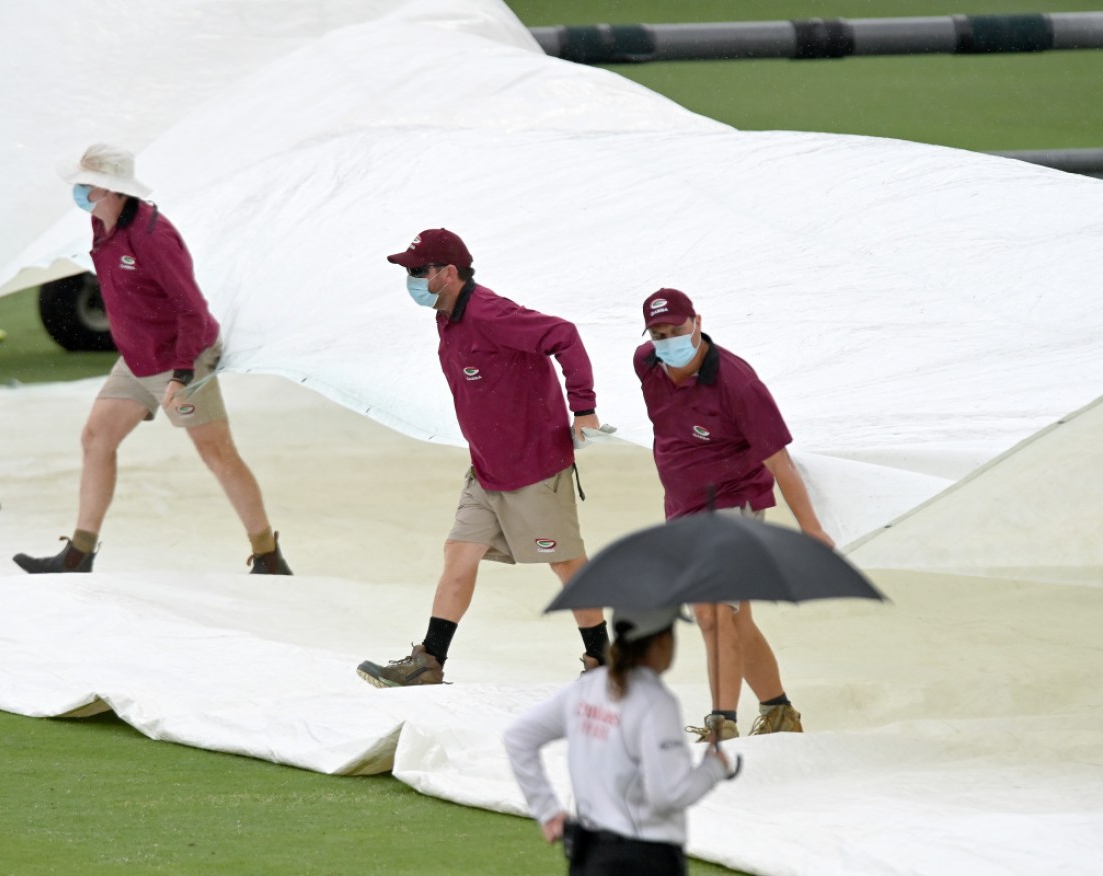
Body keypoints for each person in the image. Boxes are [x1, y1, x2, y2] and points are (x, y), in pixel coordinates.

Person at [13, 143, 290, 575]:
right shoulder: (100, 223)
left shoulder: (152, 237)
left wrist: (182, 375)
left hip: (183, 356)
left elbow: (192, 311)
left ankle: (268, 556)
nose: (81, 192)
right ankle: (79, 554)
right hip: (138, 358)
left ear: (113, 189)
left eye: (88, 185)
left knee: (217, 453)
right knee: (95, 438)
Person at [356, 229, 607, 686]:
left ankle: (606, 664)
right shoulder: (447, 316)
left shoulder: (490, 313)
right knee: (459, 552)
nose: (410, 279)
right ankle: (430, 661)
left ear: (448, 273)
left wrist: (584, 409)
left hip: (535, 468)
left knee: (567, 564)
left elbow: (563, 335)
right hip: (487, 469)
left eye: (418, 271)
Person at [635, 288, 833, 742]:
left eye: (677, 330)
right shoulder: (646, 363)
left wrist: (812, 529)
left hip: (733, 505)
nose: (668, 341)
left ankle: (722, 721)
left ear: (697, 322)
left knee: (712, 614)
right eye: (659, 333)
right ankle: (779, 710)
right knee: (736, 617)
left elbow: (780, 461)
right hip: (684, 510)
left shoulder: (738, 384)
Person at [504, 606, 732, 875]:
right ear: (662, 640)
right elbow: (668, 794)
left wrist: (548, 811)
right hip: (645, 857)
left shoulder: (587, 688)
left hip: (587, 853)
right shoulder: (656, 703)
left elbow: (517, 737)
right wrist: (713, 768)